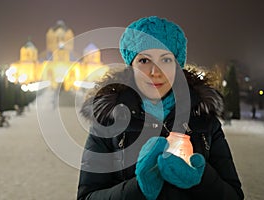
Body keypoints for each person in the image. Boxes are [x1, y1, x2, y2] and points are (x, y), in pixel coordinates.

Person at [77, 16, 244, 200]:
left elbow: (234, 196)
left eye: (165, 60)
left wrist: (201, 179)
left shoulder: (204, 120)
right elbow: (87, 196)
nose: (155, 72)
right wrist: (138, 189)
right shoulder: (108, 121)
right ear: (130, 65)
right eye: (144, 61)